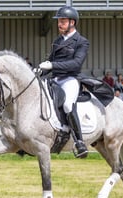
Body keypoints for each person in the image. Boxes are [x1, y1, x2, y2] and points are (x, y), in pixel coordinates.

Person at [38, 6, 89, 158]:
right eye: (59, 21)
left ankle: (79, 142)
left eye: (63, 21)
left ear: (72, 22)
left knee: (67, 105)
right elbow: (51, 62)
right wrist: (40, 71)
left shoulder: (81, 42)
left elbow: (76, 64)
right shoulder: (57, 41)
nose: (59, 24)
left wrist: (52, 65)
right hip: (54, 79)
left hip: (70, 79)